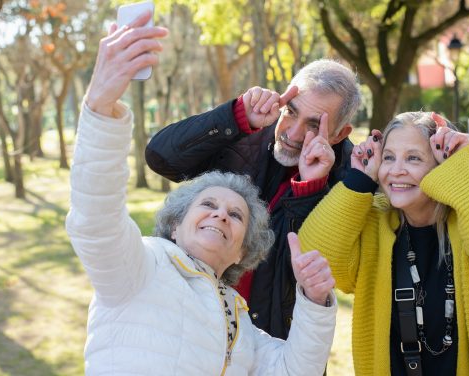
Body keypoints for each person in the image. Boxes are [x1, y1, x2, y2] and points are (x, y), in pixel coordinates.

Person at [66, 12, 338, 375]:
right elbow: (95, 220)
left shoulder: (239, 324)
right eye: (208, 203)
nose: (221, 214)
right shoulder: (140, 268)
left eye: (236, 215)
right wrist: (100, 109)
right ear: (175, 226)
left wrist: (315, 301)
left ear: (244, 251)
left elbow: (295, 369)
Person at [297, 111, 469, 375]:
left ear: (442, 165)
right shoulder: (375, 223)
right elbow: (314, 256)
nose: (397, 170)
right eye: (388, 157)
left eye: (413, 158)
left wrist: (463, 164)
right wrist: (359, 180)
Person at [145, 56, 361, 339]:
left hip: (277, 346)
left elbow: (302, 269)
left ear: (339, 133)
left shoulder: (349, 181)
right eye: (291, 112)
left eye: (312, 125)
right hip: (199, 328)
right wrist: (236, 116)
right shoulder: (247, 133)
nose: (293, 133)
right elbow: (161, 158)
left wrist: (310, 187)